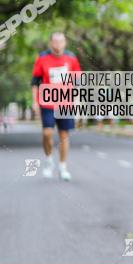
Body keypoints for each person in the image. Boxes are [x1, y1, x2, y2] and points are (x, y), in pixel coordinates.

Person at [31, 32, 82, 181]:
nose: (58, 45)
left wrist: (77, 102)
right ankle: (48, 161)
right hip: (47, 102)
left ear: (65, 43)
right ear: (50, 43)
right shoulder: (42, 58)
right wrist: (35, 101)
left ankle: (62, 167)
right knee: (47, 133)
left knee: (64, 136)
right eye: (55, 42)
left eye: (60, 42)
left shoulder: (71, 58)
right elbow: (35, 83)